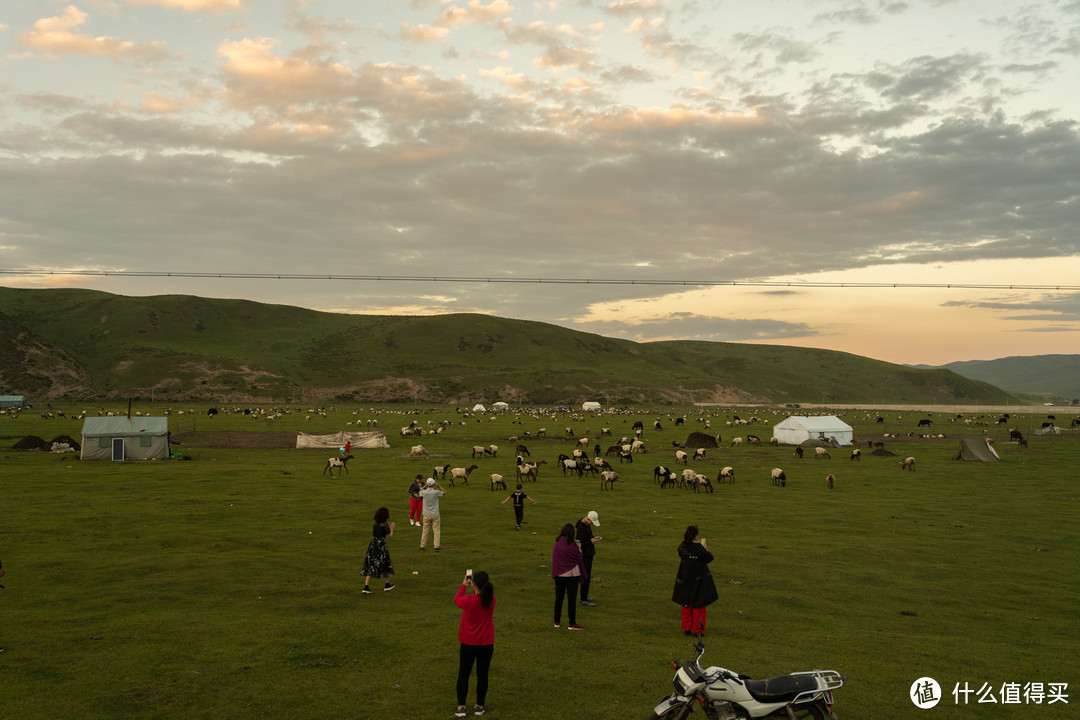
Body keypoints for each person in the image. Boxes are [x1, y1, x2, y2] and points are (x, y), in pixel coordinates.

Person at [454, 569, 496, 717]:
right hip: (486, 644)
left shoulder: (469, 601)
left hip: (468, 643)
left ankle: (461, 706)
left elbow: (457, 599)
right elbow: (481, 599)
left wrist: (463, 585)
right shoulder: (491, 599)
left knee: (464, 674)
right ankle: (479, 705)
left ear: (474, 583)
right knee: (482, 675)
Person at [671, 525, 719, 636]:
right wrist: (705, 548)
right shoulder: (699, 549)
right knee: (699, 604)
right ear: (695, 536)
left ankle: (687, 628)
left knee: (686, 603)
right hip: (699, 579)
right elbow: (709, 558)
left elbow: (682, 553)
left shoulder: (682, 547)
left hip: (685, 578)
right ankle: (698, 630)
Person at [551, 523, 586, 629]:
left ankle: (556, 621)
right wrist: (579, 548)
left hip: (559, 575)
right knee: (571, 600)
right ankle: (572, 623)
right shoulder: (572, 545)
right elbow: (578, 556)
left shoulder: (557, 542)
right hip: (571, 575)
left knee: (559, 599)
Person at [361, 507, 396, 594]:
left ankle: (366, 586)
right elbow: (390, 535)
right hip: (381, 546)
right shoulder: (385, 525)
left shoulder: (375, 524)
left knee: (371, 564)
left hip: (373, 545)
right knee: (385, 563)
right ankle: (387, 584)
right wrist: (392, 527)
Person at [575, 510, 601, 606]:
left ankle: (585, 596)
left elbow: (587, 538)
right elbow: (579, 544)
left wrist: (593, 538)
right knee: (585, 576)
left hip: (589, 554)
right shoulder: (581, 529)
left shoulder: (586, 525)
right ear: (588, 519)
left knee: (587, 576)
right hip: (585, 555)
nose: (592, 524)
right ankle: (583, 599)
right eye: (591, 522)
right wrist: (591, 542)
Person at [419, 478, 446, 551]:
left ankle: (422, 546)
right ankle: (436, 546)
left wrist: (424, 486)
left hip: (426, 514)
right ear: (434, 484)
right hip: (435, 514)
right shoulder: (436, 492)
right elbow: (444, 492)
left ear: (427, 484)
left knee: (425, 531)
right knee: (436, 531)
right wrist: (439, 486)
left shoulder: (424, 492)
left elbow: (419, 492)